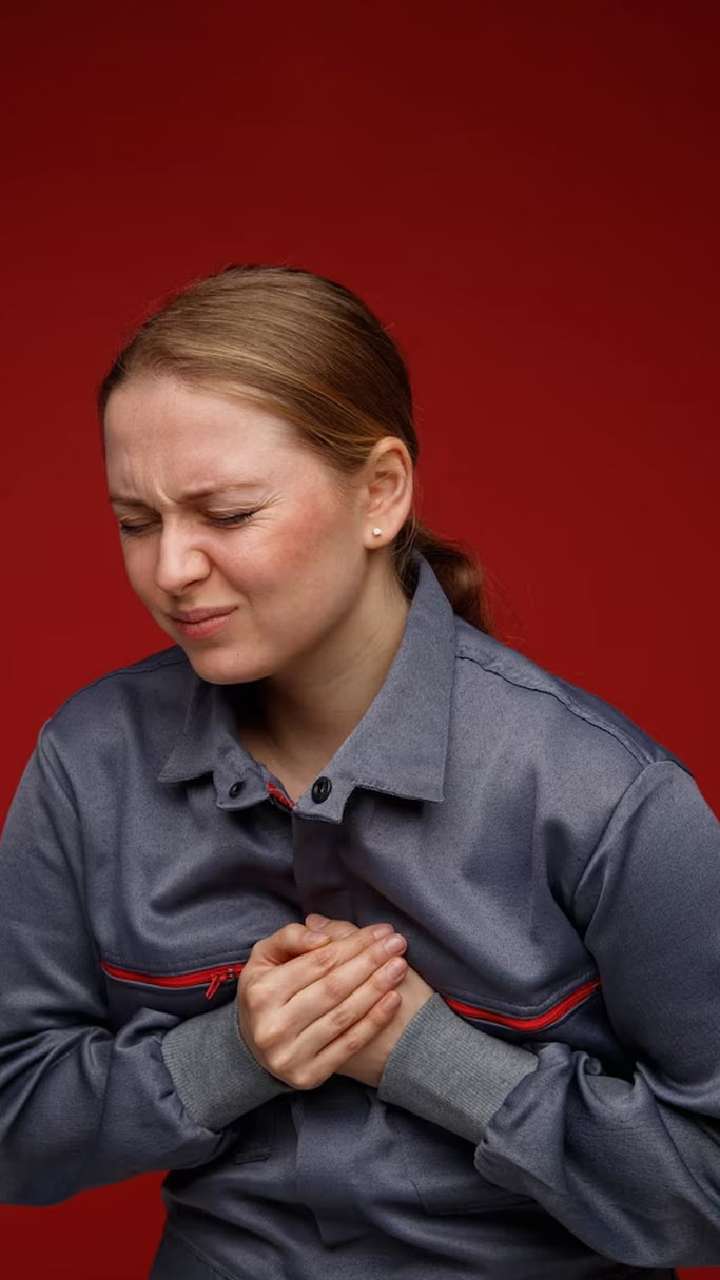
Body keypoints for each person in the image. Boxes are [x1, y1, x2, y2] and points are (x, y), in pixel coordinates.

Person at [0, 264, 718, 1280]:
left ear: (380, 493)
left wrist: (435, 1059)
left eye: (227, 514)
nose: (169, 570)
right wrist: (227, 1056)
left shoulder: (607, 795)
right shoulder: (87, 760)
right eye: (136, 521)